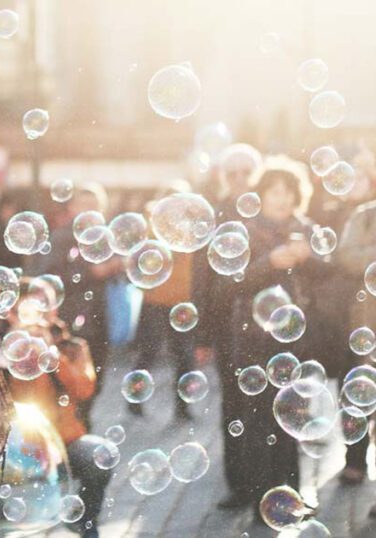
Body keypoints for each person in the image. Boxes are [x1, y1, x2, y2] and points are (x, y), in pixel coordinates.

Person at [223, 157, 324, 515]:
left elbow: (330, 274)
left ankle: (291, 496)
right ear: (261, 195)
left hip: (298, 341)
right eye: (274, 191)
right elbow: (230, 282)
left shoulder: (307, 229)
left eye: (288, 191)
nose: (281, 198)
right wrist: (269, 262)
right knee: (258, 419)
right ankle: (261, 498)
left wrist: (308, 259)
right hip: (254, 340)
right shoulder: (246, 230)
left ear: (298, 196)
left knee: (293, 417)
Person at [5, 279, 111, 538]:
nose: (38, 315)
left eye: (44, 307)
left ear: (54, 311)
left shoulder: (72, 347)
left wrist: (51, 353)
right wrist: (14, 352)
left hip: (65, 441)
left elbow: (85, 389)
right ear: (11, 314)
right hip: (17, 447)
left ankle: (85, 521)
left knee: (101, 455)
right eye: (28, 310)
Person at [193, 143, 264, 509]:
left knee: (266, 405)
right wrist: (202, 334)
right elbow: (201, 280)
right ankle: (238, 484)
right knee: (234, 406)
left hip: (268, 324)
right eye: (231, 172)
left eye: (245, 172)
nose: (238, 179)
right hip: (226, 326)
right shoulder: (215, 216)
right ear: (222, 177)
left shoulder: (269, 212)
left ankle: (268, 480)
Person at [43, 182, 122, 416]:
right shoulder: (61, 237)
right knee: (71, 381)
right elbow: (50, 276)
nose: (90, 211)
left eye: (95, 206)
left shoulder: (103, 239)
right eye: (84, 205)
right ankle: (75, 432)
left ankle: (84, 425)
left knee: (95, 379)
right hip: (70, 320)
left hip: (98, 318)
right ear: (73, 208)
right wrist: (95, 272)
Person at [129, 182, 197, 422]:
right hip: (155, 300)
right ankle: (134, 401)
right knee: (148, 353)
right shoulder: (151, 227)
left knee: (185, 357)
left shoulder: (191, 229)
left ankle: (183, 407)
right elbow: (141, 258)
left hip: (182, 301)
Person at [337, 189, 376, 494]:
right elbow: (346, 257)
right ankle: (356, 461)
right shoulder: (364, 215)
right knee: (358, 396)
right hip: (365, 323)